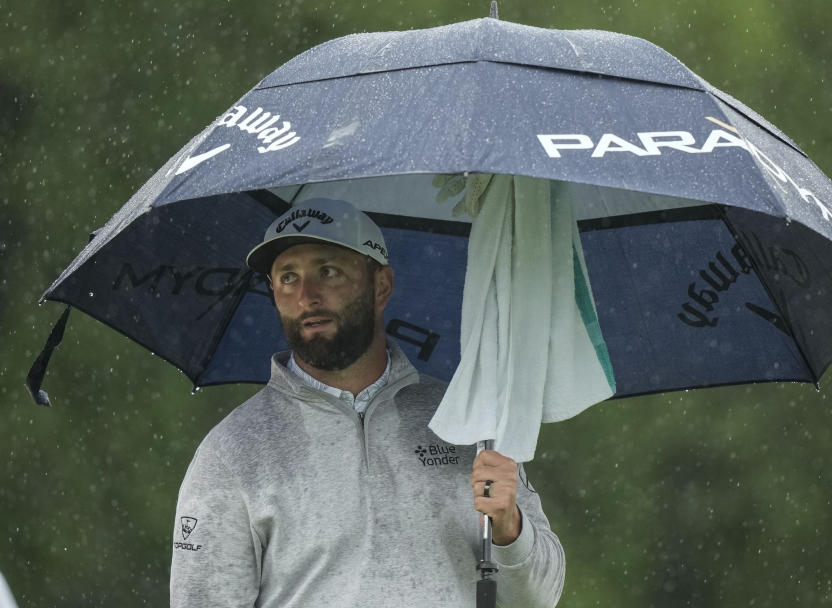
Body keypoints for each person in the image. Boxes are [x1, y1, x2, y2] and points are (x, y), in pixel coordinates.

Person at [169, 197, 565, 607]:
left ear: (381, 286)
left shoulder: (468, 421)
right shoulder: (232, 452)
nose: (306, 296)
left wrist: (510, 528)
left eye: (328, 271)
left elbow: (541, 598)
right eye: (287, 278)